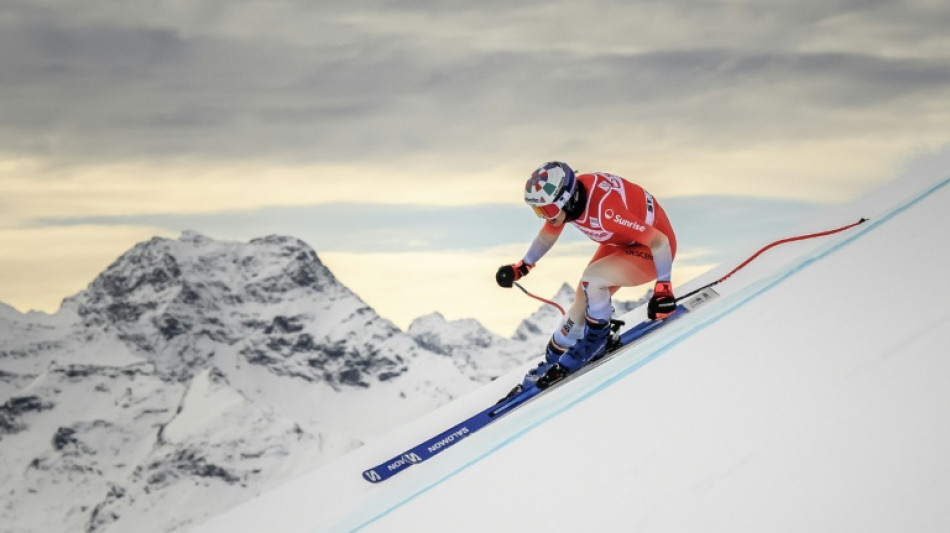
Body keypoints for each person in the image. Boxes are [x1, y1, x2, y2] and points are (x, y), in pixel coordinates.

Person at [496, 161, 678, 390]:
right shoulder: (569, 202)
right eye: (538, 211)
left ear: (566, 199)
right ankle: (554, 356)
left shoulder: (606, 211)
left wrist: (663, 289)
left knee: (594, 279)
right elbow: (546, 236)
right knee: (583, 296)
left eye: (548, 210)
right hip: (623, 241)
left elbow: (659, 241)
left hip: (654, 250)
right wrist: (522, 267)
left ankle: (596, 340)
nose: (545, 217)